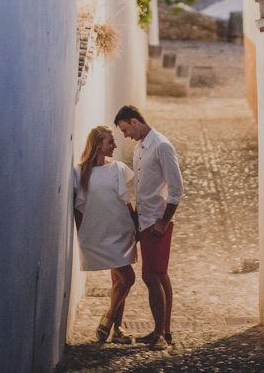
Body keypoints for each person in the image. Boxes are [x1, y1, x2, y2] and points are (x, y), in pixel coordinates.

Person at [114, 104, 183, 352]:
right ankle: (163, 331)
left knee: (150, 275)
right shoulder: (139, 149)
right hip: (144, 222)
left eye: (125, 129)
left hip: (156, 222)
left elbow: (177, 188)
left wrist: (163, 221)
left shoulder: (162, 146)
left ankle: (160, 337)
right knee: (160, 274)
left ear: (134, 121)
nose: (125, 135)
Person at [73, 125, 138, 344]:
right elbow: (78, 208)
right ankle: (110, 318)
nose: (115, 145)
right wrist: (82, 235)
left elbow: (125, 201)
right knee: (128, 277)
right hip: (99, 233)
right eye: (110, 142)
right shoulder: (80, 172)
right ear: (98, 144)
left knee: (119, 279)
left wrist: (136, 228)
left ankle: (116, 329)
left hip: (120, 231)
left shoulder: (117, 168)